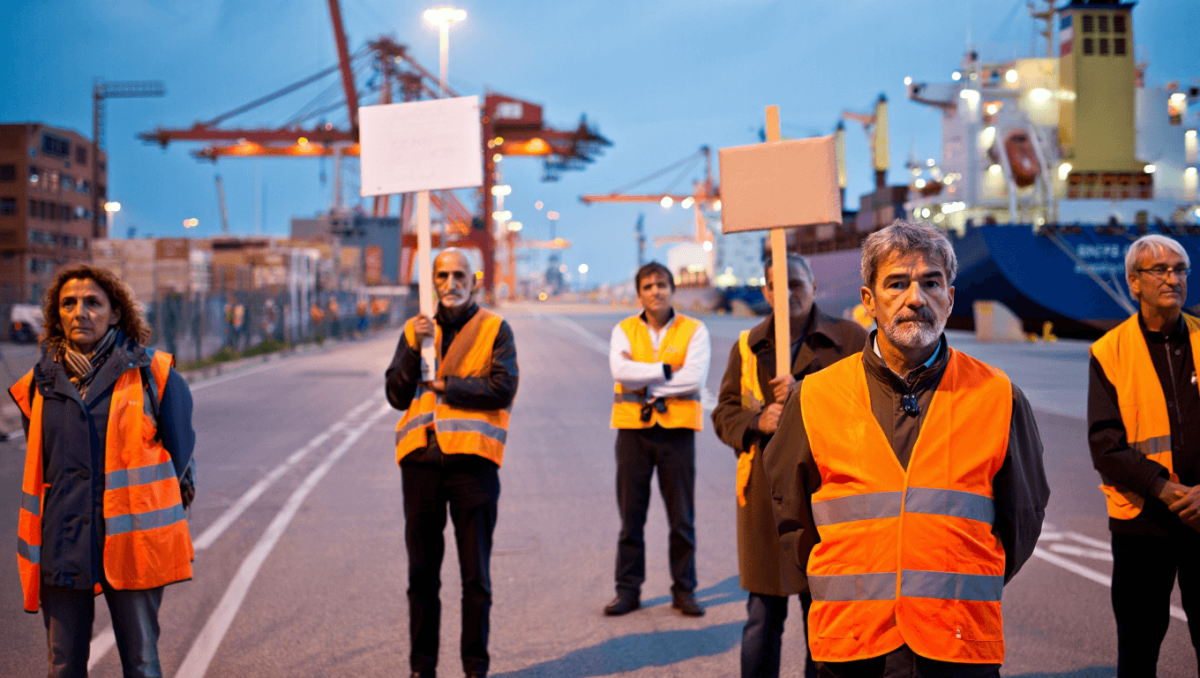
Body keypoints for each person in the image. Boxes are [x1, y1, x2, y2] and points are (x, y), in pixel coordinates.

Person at [764, 220, 1049, 677]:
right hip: (853, 643)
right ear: (869, 301)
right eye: (897, 283)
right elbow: (791, 516)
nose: (915, 298)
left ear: (950, 298)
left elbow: (1023, 518)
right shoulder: (814, 397)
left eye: (931, 282)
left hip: (957, 643)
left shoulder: (999, 396)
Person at [9, 263, 196, 678]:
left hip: (132, 544)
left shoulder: (153, 375)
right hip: (63, 541)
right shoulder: (39, 384)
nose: (80, 312)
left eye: (93, 302)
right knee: (63, 666)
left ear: (115, 312)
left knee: (142, 662)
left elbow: (180, 456)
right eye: (68, 303)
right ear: (57, 315)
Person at [712, 253, 867, 678]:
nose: (788, 294)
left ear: (814, 287)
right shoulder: (747, 347)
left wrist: (806, 395)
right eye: (777, 286)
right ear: (765, 292)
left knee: (824, 620)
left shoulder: (851, 339)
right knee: (762, 617)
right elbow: (723, 413)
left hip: (828, 497)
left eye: (796, 284)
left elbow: (871, 412)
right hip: (765, 499)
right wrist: (757, 420)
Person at [385, 248, 519, 678]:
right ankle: (422, 669)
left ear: (473, 281)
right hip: (421, 464)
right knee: (422, 575)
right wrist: (411, 346)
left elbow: (503, 388)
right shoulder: (414, 330)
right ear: (432, 283)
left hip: (473, 465)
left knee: (475, 577)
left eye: (459, 275)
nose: (450, 283)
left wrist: (448, 385)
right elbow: (395, 395)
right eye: (442, 276)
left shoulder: (495, 328)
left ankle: (475, 668)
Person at [1087, 234, 1200, 674]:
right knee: (1138, 648)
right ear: (1134, 282)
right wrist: (1166, 488)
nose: (1173, 278)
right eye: (1161, 270)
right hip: (1143, 523)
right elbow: (1105, 445)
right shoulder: (1109, 352)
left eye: (1180, 269)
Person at [605, 261, 711, 617]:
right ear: (639, 293)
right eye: (648, 286)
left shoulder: (694, 330)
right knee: (631, 519)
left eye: (662, 284)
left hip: (677, 433)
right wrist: (667, 371)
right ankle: (627, 590)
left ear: (672, 289)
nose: (656, 291)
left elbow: (694, 379)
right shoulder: (623, 329)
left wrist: (644, 378)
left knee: (681, 519)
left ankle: (684, 591)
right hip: (633, 432)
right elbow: (620, 372)